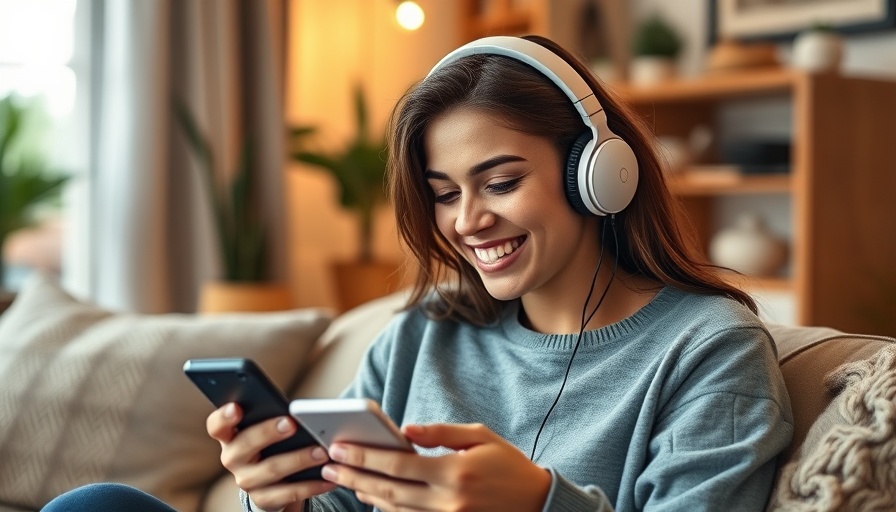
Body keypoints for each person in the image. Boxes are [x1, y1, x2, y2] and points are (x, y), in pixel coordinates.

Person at [42, 35, 793, 512]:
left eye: (499, 183)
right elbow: (342, 501)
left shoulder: (708, 349)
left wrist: (538, 507)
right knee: (97, 506)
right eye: (444, 194)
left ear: (598, 174)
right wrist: (279, 498)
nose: (467, 221)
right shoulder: (426, 330)